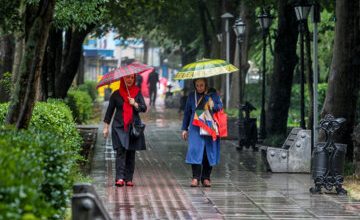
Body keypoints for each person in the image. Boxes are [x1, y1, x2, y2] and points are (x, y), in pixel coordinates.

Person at [103, 74, 147, 187]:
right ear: (123, 79)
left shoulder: (137, 92)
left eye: (132, 78)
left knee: (131, 152)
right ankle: (120, 178)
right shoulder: (116, 94)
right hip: (119, 127)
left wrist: (135, 104)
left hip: (133, 127)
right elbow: (109, 112)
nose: (130, 80)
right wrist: (106, 127)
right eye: (127, 77)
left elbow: (144, 108)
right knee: (120, 151)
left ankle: (128, 179)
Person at [181, 78, 223, 187]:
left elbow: (220, 106)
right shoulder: (191, 96)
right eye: (197, 85)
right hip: (195, 126)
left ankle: (206, 177)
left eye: (202, 85)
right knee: (195, 150)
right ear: (195, 85)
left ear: (206, 84)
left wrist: (213, 105)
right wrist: (184, 128)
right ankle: (195, 177)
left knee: (208, 151)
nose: (199, 87)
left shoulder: (212, 94)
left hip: (209, 125)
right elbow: (187, 113)